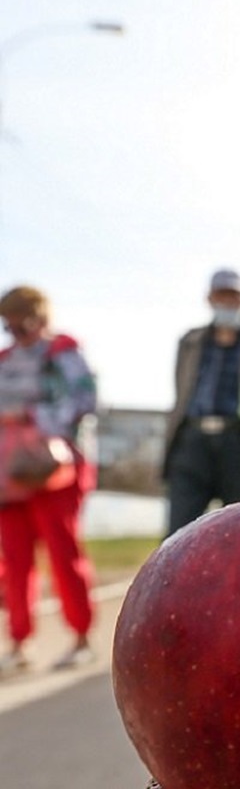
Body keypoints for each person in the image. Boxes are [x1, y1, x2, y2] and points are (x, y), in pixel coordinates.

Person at [0, 285, 98, 674]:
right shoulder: (4, 360)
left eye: (20, 324)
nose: (15, 333)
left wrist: (30, 415)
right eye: (8, 326)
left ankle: (81, 638)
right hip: (9, 474)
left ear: (39, 318)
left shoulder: (63, 353)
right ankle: (19, 642)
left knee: (62, 552)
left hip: (53, 469)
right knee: (14, 558)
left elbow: (85, 401)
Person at [162, 269, 240, 537]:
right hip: (192, 441)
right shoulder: (190, 341)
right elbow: (181, 389)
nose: (227, 302)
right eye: (221, 295)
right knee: (179, 532)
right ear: (210, 298)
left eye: (233, 295)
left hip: (239, 444)